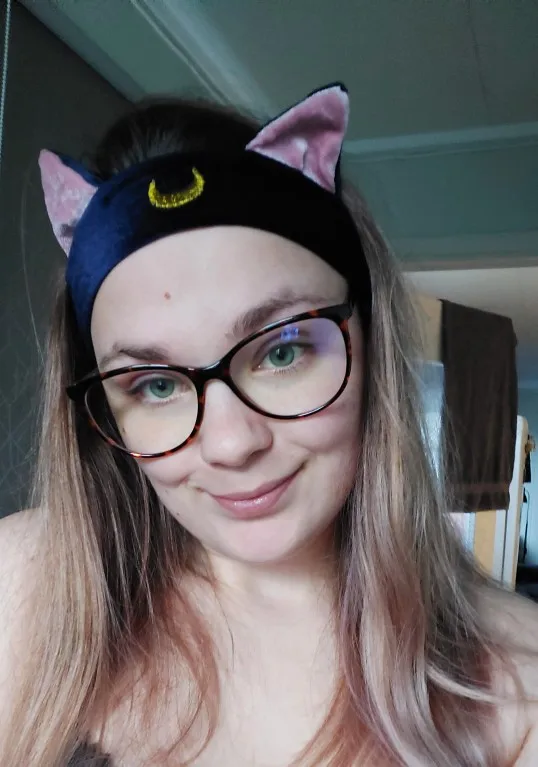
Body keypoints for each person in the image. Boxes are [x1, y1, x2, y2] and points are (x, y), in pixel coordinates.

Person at [0, 83, 537, 767]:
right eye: (156, 384)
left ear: (370, 344)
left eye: (282, 351)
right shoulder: (22, 585)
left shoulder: (518, 685)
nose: (231, 444)